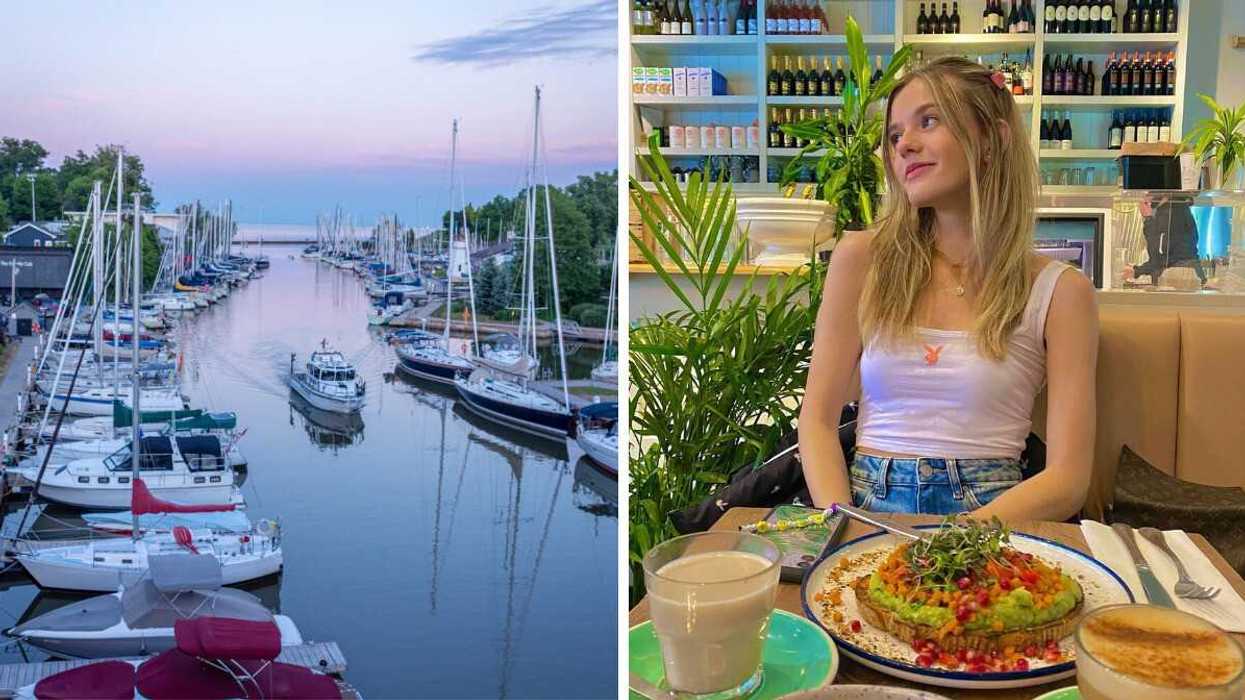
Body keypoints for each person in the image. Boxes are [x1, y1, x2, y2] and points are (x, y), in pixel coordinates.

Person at [798, 57, 1099, 522]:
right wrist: (844, 525)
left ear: (992, 139)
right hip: (863, 513)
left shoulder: (1061, 292)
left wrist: (952, 544)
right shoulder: (861, 260)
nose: (905, 147)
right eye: (895, 136)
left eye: (929, 121)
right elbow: (816, 422)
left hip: (994, 519)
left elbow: (1068, 478)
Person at [1123, 193, 1206, 286]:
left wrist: (1148, 218)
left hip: (1181, 280)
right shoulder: (1174, 207)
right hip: (1182, 279)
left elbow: (1158, 256)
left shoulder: (1172, 210)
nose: (1146, 196)